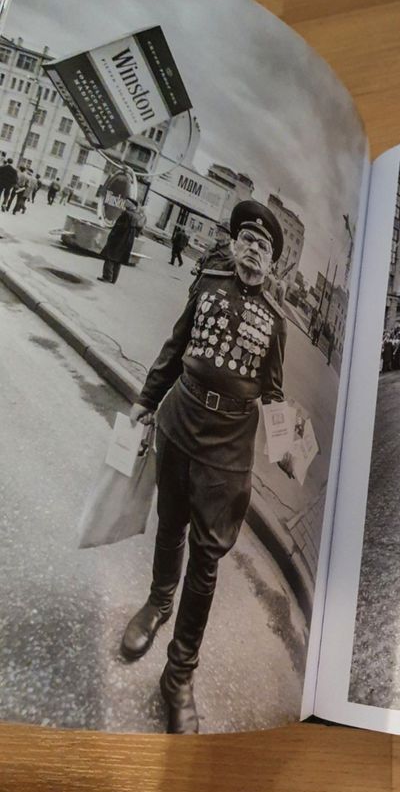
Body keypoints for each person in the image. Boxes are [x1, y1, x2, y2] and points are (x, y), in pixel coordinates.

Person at [120, 199, 291, 734]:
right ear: (234, 245)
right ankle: (155, 603)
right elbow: (175, 347)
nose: (252, 251)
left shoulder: (277, 321)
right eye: (246, 241)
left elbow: (276, 391)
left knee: (207, 560)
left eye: (263, 247)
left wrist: (290, 442)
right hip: (179, 420)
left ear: (273, 263)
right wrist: (146, 400)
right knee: (168, 526)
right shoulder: (209, 283)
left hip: (228, 449)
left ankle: (179, 675)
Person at [98, 197, 144, 284]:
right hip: (127, 241)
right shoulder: (137, 216)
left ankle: (107, 277)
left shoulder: (126, 214)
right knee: (118, 260)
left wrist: (111, 237)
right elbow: (138, 231)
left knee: (110, 256)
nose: (125, 203)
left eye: (127, 202)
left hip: (119, 239)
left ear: (131, 205)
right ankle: (113, 279)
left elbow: (118, 227)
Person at [190, 221, 233, 290]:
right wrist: (197, 267)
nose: (216, 231)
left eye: (220, 230)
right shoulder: (210, 247)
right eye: (217, 229)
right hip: (196, 289)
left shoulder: (230, 257)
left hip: (209, 295)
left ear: (228, 236)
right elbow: (200, 260)